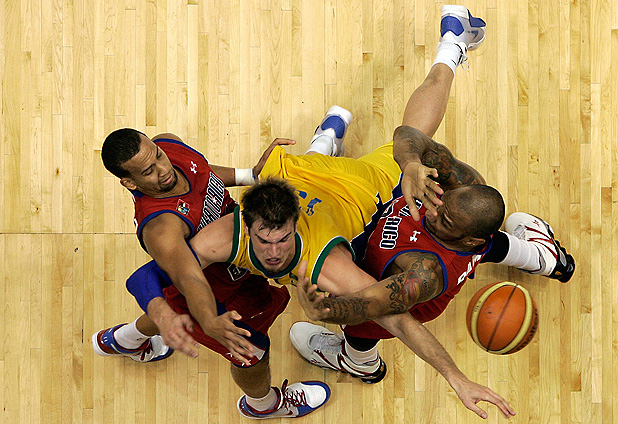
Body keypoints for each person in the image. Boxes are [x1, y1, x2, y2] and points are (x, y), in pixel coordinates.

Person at [117, 5, 572, 419]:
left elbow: (391, 314)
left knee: (365, 326)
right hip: (345, 189)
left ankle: (359, 361)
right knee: (298, 166)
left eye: (445, 217)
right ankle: (538, 252)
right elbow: (163, 271)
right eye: (263, 240)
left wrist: (327, 313)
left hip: (371, 209)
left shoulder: (412, 267)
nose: (432, 210)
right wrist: (411, 162)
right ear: (245, 224)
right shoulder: (238, 223)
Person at [91, 130, 331, 419]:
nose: (164, 169)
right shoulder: (162, 228)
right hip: (214, 298)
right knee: (252, 354)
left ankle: (124, 340)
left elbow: (203, 173)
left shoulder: (168, 144)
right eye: (148, 172)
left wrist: (250, 175)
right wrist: (208, 320)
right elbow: (189, 279)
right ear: (130, 183)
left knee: (173, 309)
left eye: (158, 156)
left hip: (236, 267)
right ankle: (263, 405)